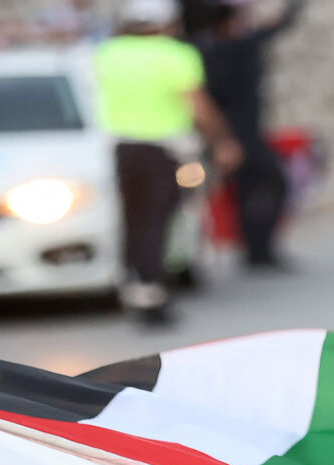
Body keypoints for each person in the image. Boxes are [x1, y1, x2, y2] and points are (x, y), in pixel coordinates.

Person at [94, 0, 242, 325]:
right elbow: (198, 106)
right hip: (164, 149)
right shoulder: (174, 54)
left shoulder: (107, 53)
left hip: (122, 148)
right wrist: (222, 140)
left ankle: (135, 283)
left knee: (133, 217)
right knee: (157, 218)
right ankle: (150, 289)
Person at [189, 0, 302, 271]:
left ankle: (255, 249)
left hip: (227, 135)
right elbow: (278, 26)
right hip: (243, 135)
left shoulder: (203, 50)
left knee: (246, 191)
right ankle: (260, 247)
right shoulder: (238, 46)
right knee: (275, 183)